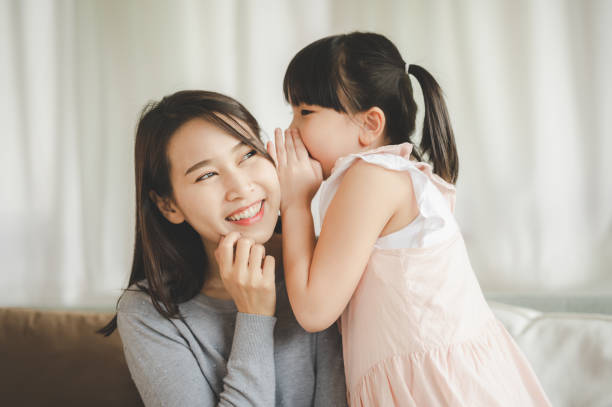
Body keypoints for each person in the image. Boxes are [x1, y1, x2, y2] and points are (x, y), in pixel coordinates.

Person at [270, 32, 551, 406]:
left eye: (305, 112)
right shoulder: (396, 175)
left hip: (433, 389)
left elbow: (313, 310)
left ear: (370, 124)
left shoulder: (371, 178)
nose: (290, 130)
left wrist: (295, 202)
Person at [98, 90, 347, 406]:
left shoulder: (326, 264)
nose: (241, 188)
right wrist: (253, 315)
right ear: (168, 205)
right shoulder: (148, 311)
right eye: (207, 175)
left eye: (247, 155)